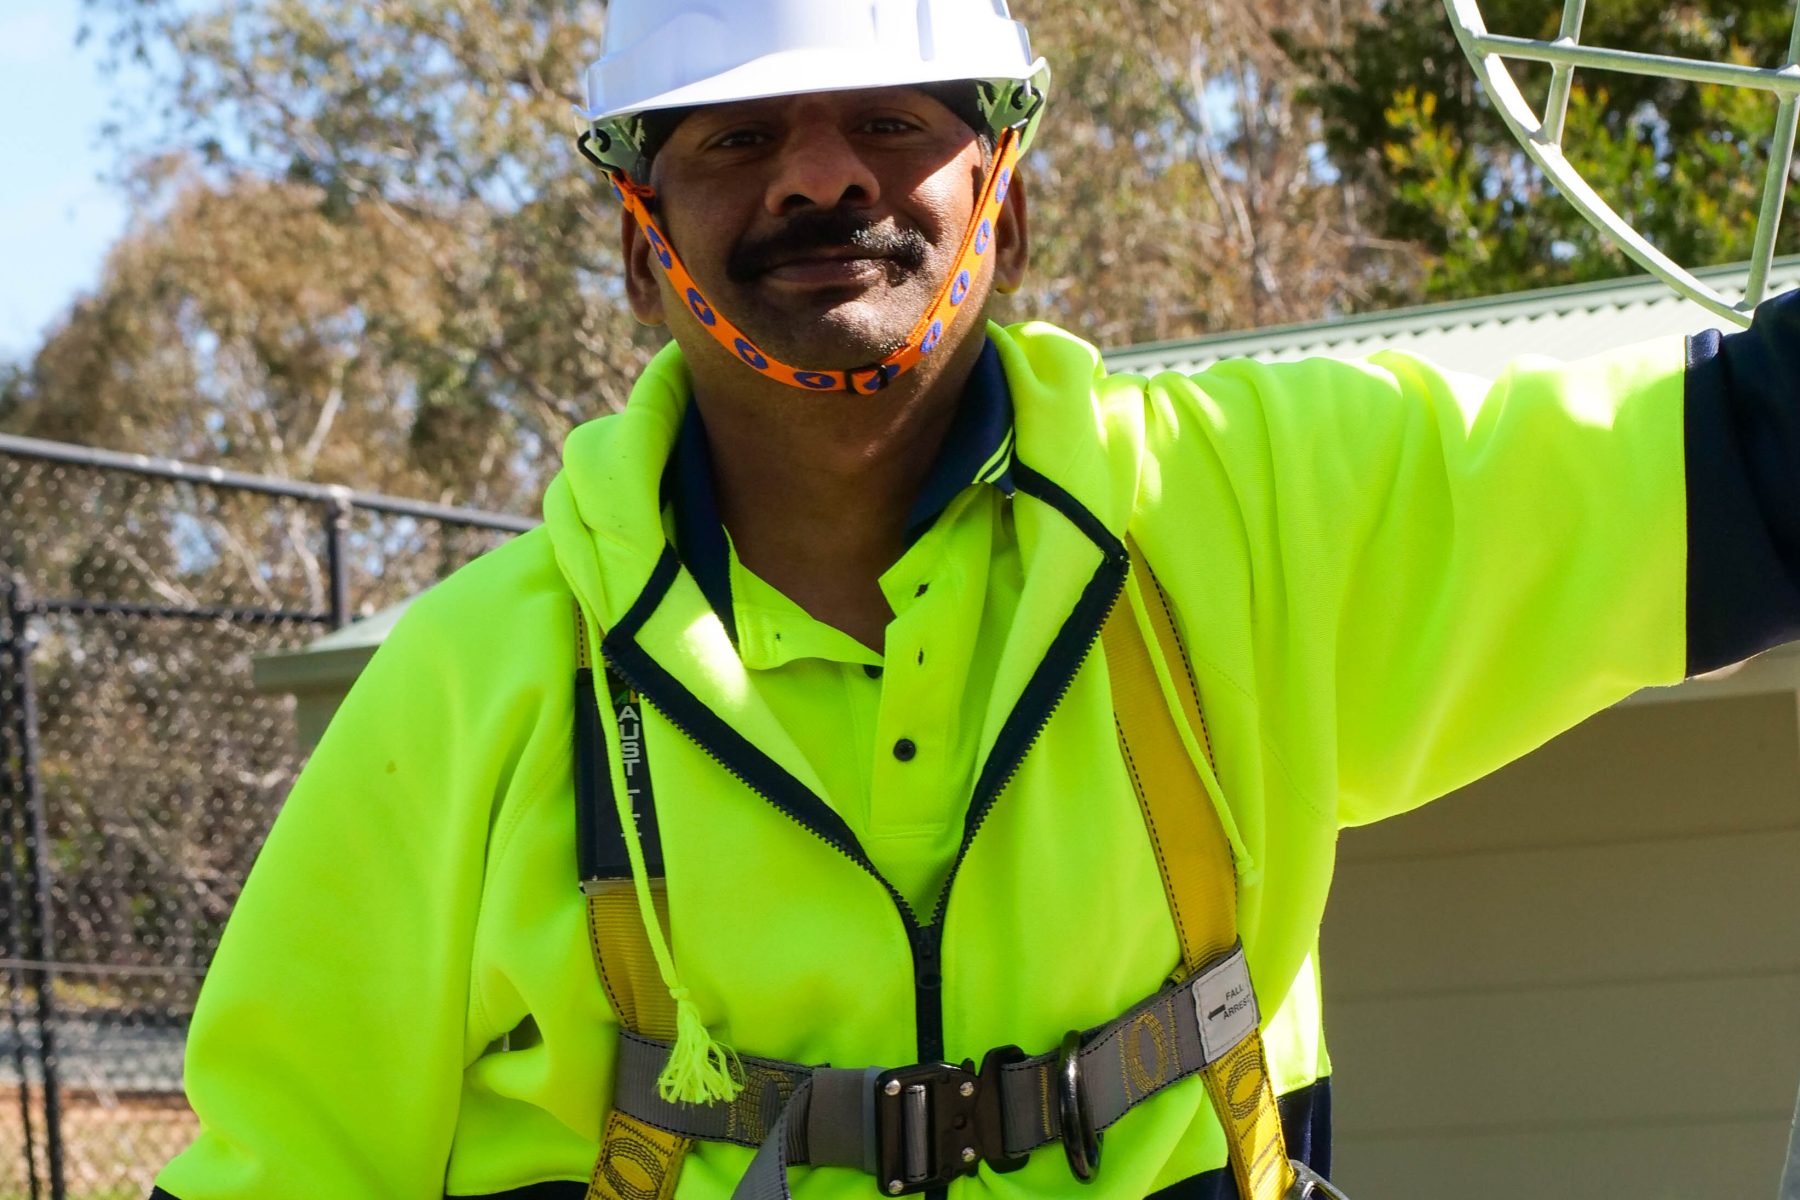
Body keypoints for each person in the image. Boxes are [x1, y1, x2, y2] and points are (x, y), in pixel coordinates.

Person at [148, 2, 1800, 1198]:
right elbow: (285, 1163)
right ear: (642, 250)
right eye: (735, 138)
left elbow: (1754, 460)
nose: (819, 178)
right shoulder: (474, 687)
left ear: (1008, 204)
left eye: (893, 121)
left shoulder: (1245, 520)